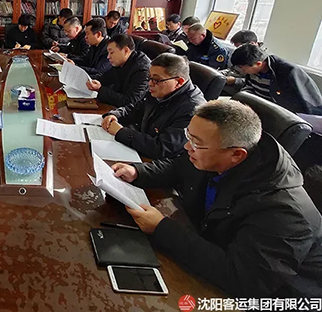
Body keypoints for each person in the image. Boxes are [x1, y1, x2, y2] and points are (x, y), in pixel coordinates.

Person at [112, 100, 322, 297]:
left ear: (237, 154)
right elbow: (179, 167)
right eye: (188, 136)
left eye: (196, 143)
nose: (187, 147)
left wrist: (161, 228)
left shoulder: (284, 213)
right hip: (211, 248)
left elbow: (243, 278)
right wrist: (138, 172)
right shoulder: (216, 154)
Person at [102, 53, 205, 159]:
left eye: (156, 80)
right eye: (149, 77)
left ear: (179, 82)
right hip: (141, 148)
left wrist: (121, 132)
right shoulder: (161, 91)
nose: (150, 84)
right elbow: (136, 109)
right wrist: (116, 114)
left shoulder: (192, 109)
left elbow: (162, 148)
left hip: (161, 162)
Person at [231, 44, 322, 115]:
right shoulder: (253, 70)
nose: (242, 71)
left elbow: (311, 100)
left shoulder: (289, 72)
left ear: (259, 64)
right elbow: (249, 87)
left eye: (243, 68)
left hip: (280, 113)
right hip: (259, 107)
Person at [86, 34, 151, 108]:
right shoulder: (121, 62)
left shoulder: (142, 70)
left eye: (111, 52)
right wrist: (88, 80)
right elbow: (104, 78)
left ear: (126, 51)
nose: (108, 57)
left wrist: (100, 89)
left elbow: (130, 101)